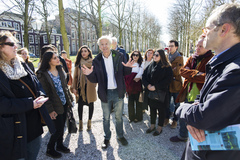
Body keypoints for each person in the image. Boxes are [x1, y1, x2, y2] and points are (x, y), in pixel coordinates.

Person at [176, 3, 240, 159]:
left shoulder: (235, 69)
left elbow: (205, 117)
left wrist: (183, 109)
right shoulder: (222, 62)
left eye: (206, 29)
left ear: (224, 29)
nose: (203, 34)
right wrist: (195, 114)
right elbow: (204, 99)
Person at [0, 31, 55, 160]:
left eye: (16, 44)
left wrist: (41, 95)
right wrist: (30, 103)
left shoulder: (22, 64)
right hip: (13, 132)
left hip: (34, 128)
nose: (16, 47)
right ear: (1, 47)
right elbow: (2, 103)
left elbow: (37, 84)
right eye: (11, 44)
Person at [81, 35, 134, 149]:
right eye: (102, 44)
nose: (104, 46)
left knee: (119, 117)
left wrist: (128, 68)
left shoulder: (119, 56)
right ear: (99, 46)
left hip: (118, 91)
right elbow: (95, 79)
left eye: (106, 44)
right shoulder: (97, 60)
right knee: (106, 117)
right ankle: (107, 137)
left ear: (110, 45)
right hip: (105, 93)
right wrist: (89, 74)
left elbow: (125, 72)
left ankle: (120, 136)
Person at [169, 36, 214, 142]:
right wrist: (197, 73)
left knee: (198, 121)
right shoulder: (192, 58)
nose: (197, 48)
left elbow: (207, 78)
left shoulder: (211, 59)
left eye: (200, 46)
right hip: (188, 94)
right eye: (196, 46)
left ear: (208, 47)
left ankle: (198, 141)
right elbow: (182, 71)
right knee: (184, 117)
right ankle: (182, 136)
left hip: (202, 97)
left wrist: (191, 74)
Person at [37, 51, 73, 158]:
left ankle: (60, 145)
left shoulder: (60, 69)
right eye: (54, 58)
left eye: (57, 57)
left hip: (64, 103)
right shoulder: (42, 75)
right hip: (54, 106)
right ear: (48, 61)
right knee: (57, 129)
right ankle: (50, 149)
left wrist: (69, 100)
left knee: (62, 127)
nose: (58, 59)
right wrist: (50, 110)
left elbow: (65, 88)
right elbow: (45, 94)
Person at [142, 49, 173, 136]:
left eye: (157, 55)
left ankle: (159, 127)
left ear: (162, 56)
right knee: (152, 109)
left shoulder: (167, 67)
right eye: (154, 55)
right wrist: (147, 85)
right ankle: (152, 126)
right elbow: (144, 76)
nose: (154, 56)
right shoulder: (151, 64)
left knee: (161, 110)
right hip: (151, 93)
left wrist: (155, 87)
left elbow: (168, 80)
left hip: (161, 93)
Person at [71, 45, 97, 131]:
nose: (83, 53)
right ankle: (81, 123)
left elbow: (96, 75)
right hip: (80, 87)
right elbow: (75, 76)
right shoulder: (78, 63)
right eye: (82, 51)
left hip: (90, 87)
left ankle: (89, 122)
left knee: (91, 104)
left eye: (85, 51)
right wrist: (74, 87)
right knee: (80, 105)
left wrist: (94, 83)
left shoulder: (93, 62)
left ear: (89, 52)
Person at [164, 40, 183, 129]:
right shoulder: (167, 56)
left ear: (176, 47)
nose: (170, 47)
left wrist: (168, 69)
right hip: (168, 83)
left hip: (176, 84)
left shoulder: (179, 57)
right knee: (167, 102)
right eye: (169, 46)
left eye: (172, 46)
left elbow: (177, 72)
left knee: (176, 103)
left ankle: (175, 120)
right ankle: (167, 118)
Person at [124, 50, 143, 123]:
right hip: (129, 84)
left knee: (138, 102)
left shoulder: (141, 63)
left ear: (139, 56)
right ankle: (131, 117)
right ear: (131, 56)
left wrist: (137, 77)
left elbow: (141, 73)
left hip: (137, 84)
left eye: (137, 55)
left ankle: (138, 117)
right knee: (130, 102)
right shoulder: (128, 63)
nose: (135, 56)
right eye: (134, 55)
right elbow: (125, 73)